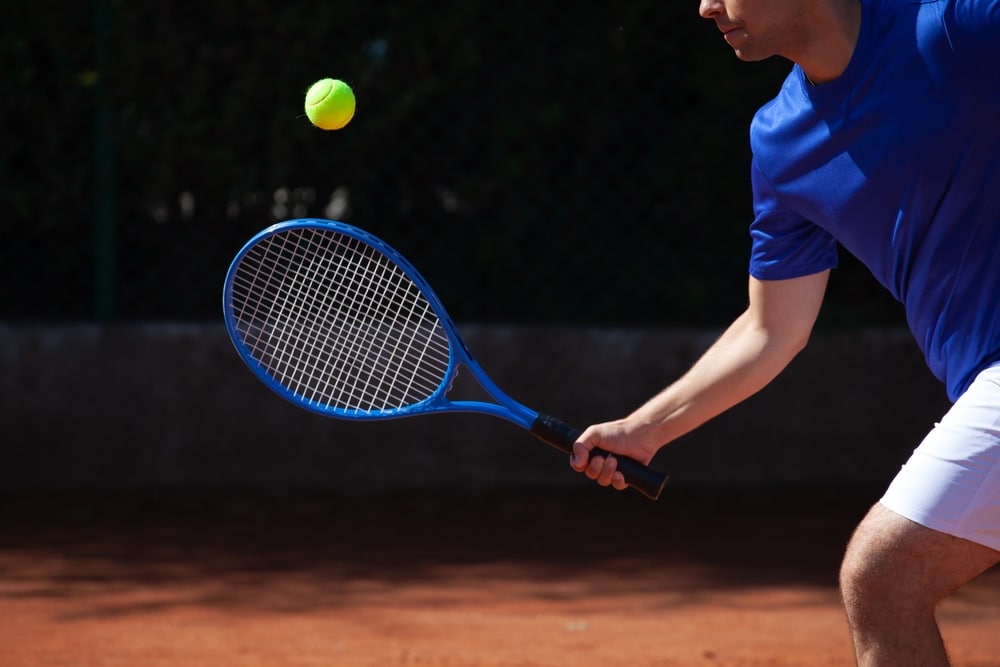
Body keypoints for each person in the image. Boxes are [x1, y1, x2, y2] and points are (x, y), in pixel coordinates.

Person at [570, 0, 1000, 664]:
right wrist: (644, 429)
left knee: (884, 578)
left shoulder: (953, 26)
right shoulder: (779, 142)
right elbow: (772, 328)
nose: (707, 6)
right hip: (982, 374)